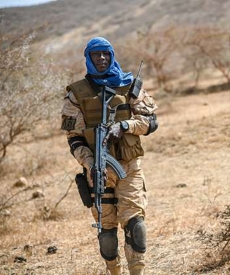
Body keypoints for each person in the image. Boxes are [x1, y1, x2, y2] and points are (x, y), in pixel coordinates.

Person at [61, 37, 158, 275]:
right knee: (106, 232)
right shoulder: (76, 93)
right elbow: (74, 137)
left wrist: (125, 126)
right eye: (96, 55)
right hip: (97, 172)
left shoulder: (129, 85)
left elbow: (151, 122)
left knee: (135, 224)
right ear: (89, 58)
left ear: (112, 55)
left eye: (106, 54)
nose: (102, 58)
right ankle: (114, 271)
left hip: (129, 166)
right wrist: (91, 163)